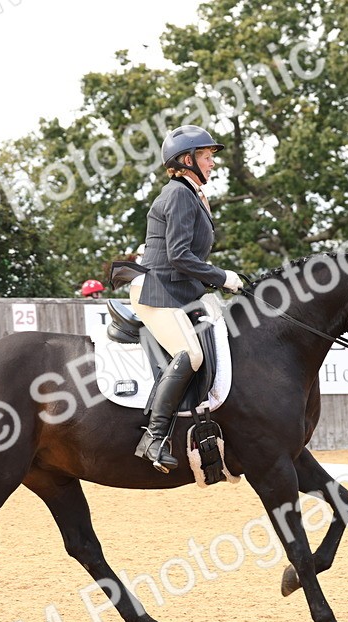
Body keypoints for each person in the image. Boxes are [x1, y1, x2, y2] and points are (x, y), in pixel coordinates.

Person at [130, 124, 242, 472]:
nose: (212, 163)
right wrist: (222, 277)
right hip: (159, 293)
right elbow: (179, 255)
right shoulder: (179, 194)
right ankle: (154, 437)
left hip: (180, 291)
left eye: (210, 157)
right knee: (191, 353)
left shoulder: (191, 194)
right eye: (207, 156)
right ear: (186, 159)